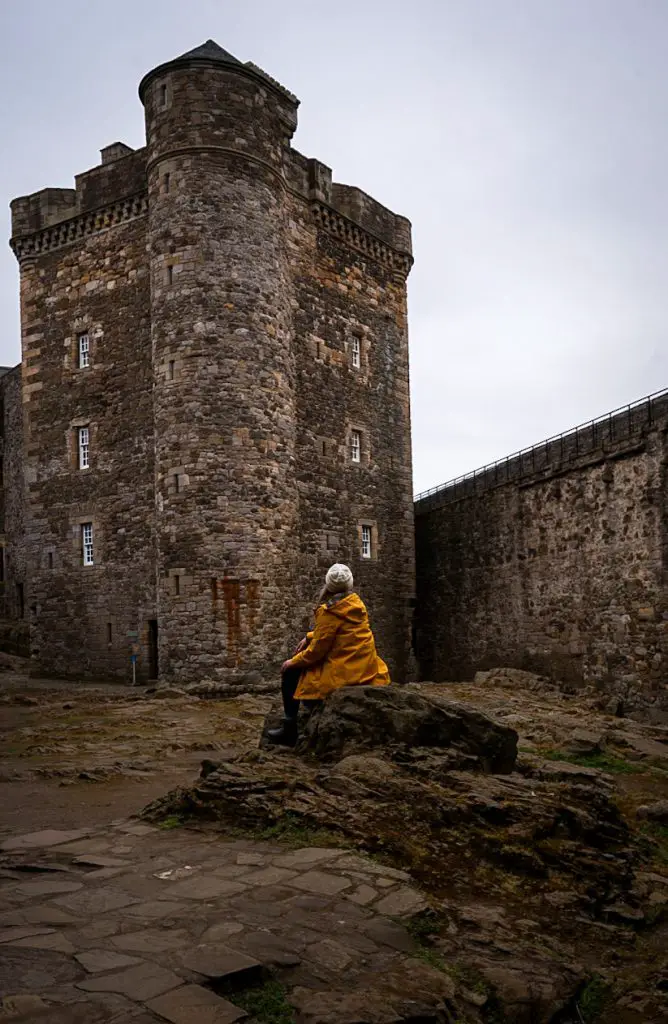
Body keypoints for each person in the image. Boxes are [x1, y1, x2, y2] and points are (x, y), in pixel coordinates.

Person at [266, 563, 390, 746]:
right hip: (365, 667)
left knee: (290, 673)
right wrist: (310, 636)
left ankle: (290, 728)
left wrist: (292, 661)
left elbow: (316, 652)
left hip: (343, 672)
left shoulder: (330, 612)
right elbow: (337, 633)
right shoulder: (356, 605)